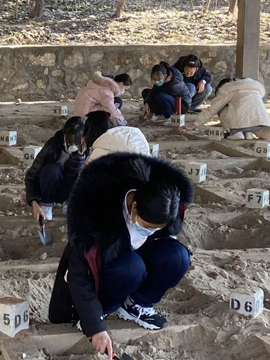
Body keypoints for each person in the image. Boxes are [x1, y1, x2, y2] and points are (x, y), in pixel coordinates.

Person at [48, 153, 193, 357]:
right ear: (134, 207)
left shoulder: (163, 207)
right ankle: (105, 307)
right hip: (105, 279)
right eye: (147, 226)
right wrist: (95, 326)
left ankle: (136, 303)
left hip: (130, 269)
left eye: (157, 228)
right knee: (131, 267)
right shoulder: (94, 215)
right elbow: (78, 276)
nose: (150, 231)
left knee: (178, 256)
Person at [25, 117, 87, 222]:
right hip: (52, 187)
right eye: (70, 141)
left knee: (84, 173)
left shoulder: (87, 148)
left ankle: (70, 202)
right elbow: (31, 175)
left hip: (70, 188)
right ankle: (47, 205)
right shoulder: (52, 146)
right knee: (51, 170)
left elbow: (75, 174)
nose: (73, 145)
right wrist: (34, 202)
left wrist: (79, 157)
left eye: (77, 142)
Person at [182, 78, 270, 140]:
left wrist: (195, 124)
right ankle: (247, 133)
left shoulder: (230, 90)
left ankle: (235, 133)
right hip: (261, 125)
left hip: (239, 124)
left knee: (222, 108)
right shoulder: (255, 90)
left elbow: (212, 109)